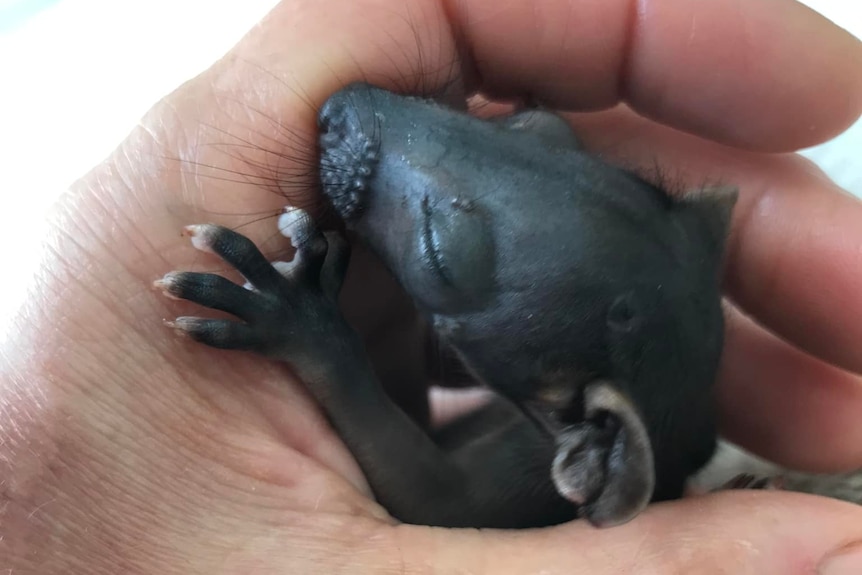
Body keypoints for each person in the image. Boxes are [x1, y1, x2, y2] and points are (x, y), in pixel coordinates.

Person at [2, 0, 862, 572]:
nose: (367, 115)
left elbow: (437, 497)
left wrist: (319, 339)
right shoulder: (656, 366)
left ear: (587, 432)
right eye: (532, 136)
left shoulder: (554, 458)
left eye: (452, 250)